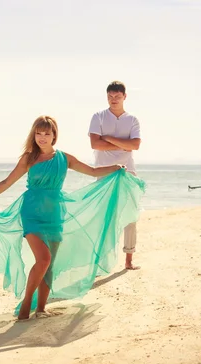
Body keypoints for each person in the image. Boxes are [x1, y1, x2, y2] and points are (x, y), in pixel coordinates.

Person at [0, 115, 145, 320]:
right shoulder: (29, 158)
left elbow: (92, 170)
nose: (42, 138)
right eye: (38, 133)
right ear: (34, 135)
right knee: (44, 259)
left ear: (54, 136)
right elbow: (7, 182)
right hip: (32, 213)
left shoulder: (64, 158)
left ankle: (41, 309)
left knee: (49, 264)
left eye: (46, 134)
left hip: (55, 214)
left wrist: (115, 168)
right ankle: (26, 305)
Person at [88, 80, 142, 270]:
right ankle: (99, 261)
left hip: (128, 172)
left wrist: (109, 138)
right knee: (104, 219)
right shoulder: (99, 117)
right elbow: (95, 144)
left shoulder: (132, 120)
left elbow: (135, 145)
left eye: (117, 97)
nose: (113, 100)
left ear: (124, 97)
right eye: (110, 96)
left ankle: (128, 261)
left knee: (130, 217)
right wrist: (123, 143)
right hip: (104, 173)